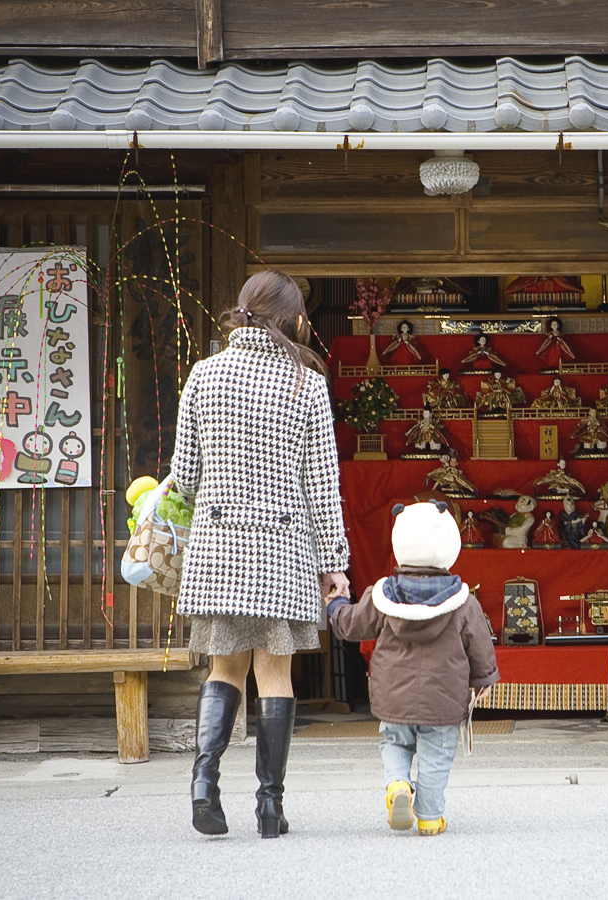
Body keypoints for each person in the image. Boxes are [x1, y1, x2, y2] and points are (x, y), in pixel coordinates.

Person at [170, 270, 350, 839]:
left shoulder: (203, 376)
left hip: (219, 548)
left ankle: (204, 785)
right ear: (294, 320)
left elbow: (185, 476)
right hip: (282, 550)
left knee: (224, 668)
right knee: (275, 674)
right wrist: (334, 562)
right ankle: (270, 808)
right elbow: (322, 485)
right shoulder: (307, 385)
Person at [328, 500, 499, 836]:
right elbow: (479, 643)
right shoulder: (463, 601)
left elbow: (351, 625)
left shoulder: (382, 595)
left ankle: (398, 786)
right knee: (437, 753)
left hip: (393, 694)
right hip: (443, 699)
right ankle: (430, 817)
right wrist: (484, 679)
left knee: (395, 742)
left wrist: (336, 605)